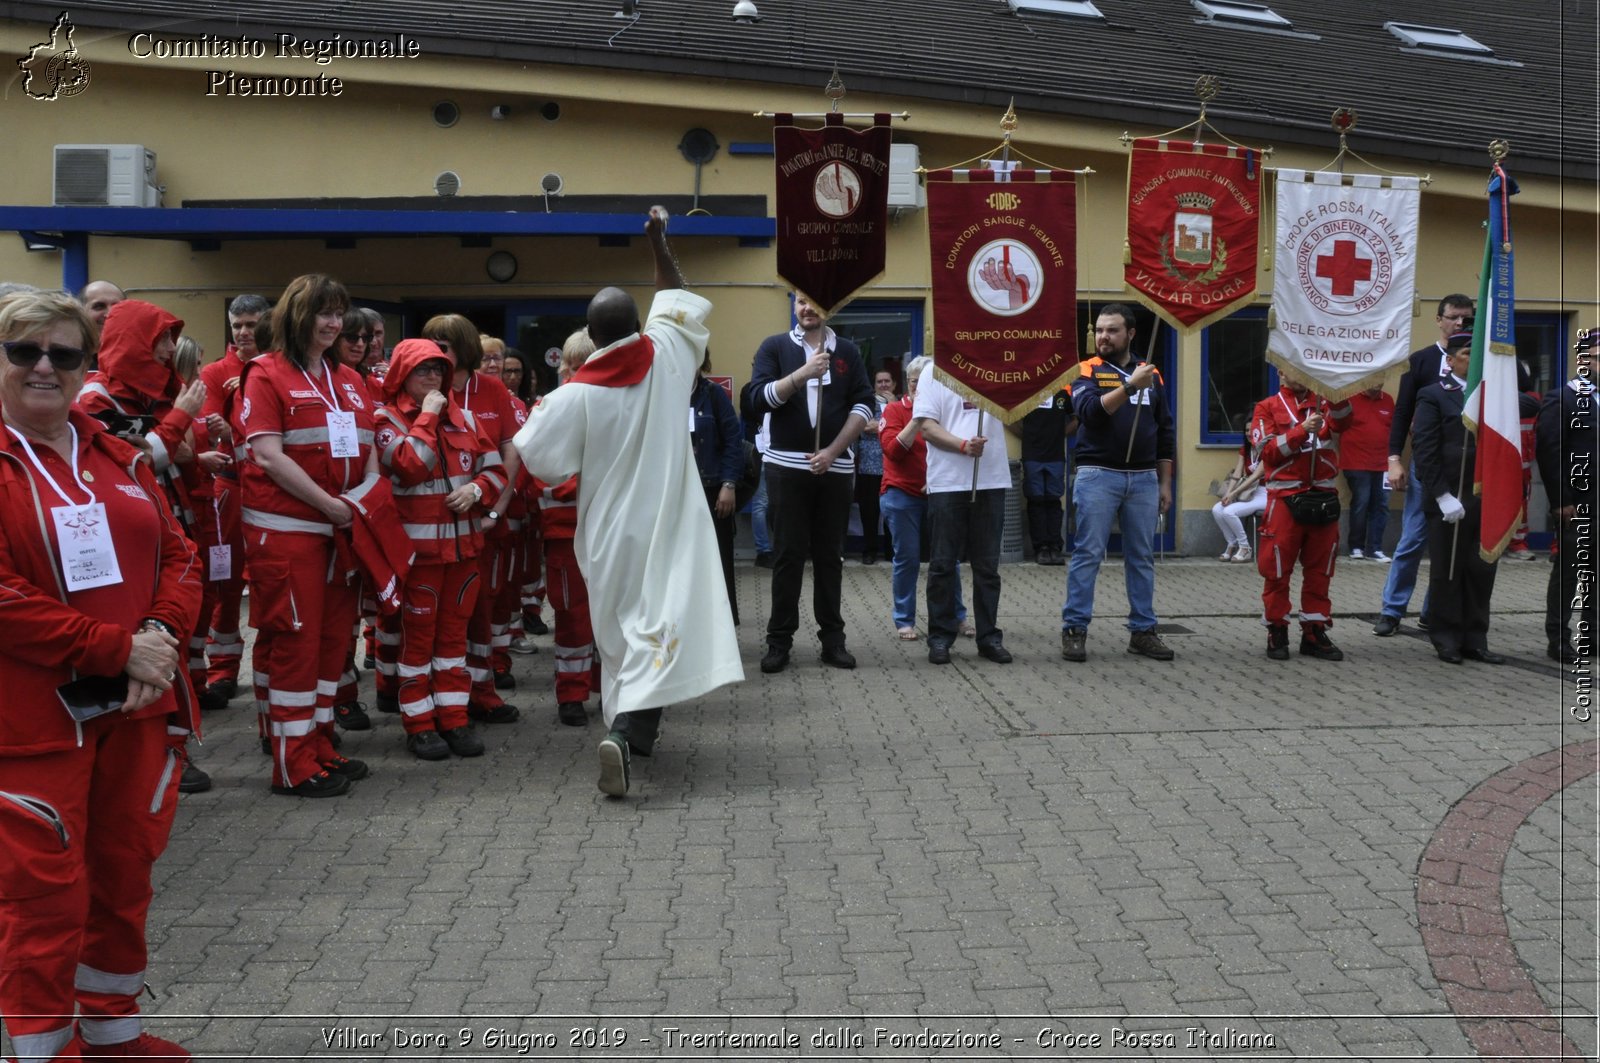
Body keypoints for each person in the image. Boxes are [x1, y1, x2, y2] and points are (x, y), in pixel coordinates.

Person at [0, 288, 202, 1062]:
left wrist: (158, 631)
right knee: (43, 898)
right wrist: (112, 646)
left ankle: (113, 1034)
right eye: (25, 351)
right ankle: (43, 1051)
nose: (44, 366)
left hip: (136, 707)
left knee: (123, 876)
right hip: (35, 721)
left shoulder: (114, 450)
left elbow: (179, 554)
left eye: (64, 353)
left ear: (88, 363)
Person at [514, 207, 743, 797]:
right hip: (673, 519)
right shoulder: (666, 353)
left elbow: (536, 457)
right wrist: (658, 240)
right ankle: (627, 734)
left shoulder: (575, 395)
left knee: (623, 635)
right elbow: (678, 291)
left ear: (590, 338)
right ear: (642, 323)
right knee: (657, 628)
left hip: (611, 530)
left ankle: (630, 733)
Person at [237, 273, 377, 797]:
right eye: (324, 312)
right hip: (290, 533)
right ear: (298, 315)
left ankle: (319, 744)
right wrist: (332, 507)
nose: (335, 323)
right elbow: (268, 456)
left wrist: (360, 501)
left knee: (331, 645)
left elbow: (369, 450)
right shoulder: (265, 375)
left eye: (339, 312)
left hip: (340, 532)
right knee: (297, 644)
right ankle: (291, 765)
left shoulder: (349, 379)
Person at [77, 300, 213, 794]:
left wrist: (197, 443)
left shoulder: (157, 391)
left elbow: (172, 457)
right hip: (126, 548)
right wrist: (182, 418)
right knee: (145, 645)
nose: (172, 348)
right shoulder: (96, 399)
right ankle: (151, 752)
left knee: (179, 643)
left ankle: (172, 748)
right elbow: (133, 463)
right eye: (163, 337)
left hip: (173, 537)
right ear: (136, 338)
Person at [374, 339, 506, 759]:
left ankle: (454, 719)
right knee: (417, 645)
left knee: (452, 641)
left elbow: (497, 471)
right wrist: (428, 416)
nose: (433, 377)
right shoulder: (386, 421)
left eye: (438, 371)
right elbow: (410, 466)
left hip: (464, 553)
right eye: (422, 370)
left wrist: (476, 489)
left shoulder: (465, 418)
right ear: (401, 375)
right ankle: (418, 725)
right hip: (419, 559)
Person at [747, 292, 873, 673]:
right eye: (801, 301)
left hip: (833, 468)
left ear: (828, 306)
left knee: (830, 557)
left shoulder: (848, 351)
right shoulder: (775, 346)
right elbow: (757, 399)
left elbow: (865, 404)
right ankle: (779, 641)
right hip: (786, 466)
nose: (807, 308)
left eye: (813, 300)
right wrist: (803, 374)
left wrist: (834, 451)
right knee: (787, 556)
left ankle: (832, 640)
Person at [1060, 304, 1176, 663]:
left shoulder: (1151, 375)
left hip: (1143, 478)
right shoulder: (1085, 370)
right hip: (1098, 475)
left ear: (1131, 334)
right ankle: (1075, 628)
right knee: (1088, 553)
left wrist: (1165, 483)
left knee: (1141, 557)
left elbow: (1165, 432)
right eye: (1099, 331)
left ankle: (1143, 631)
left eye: (1112, 331)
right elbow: (1090, 413)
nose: (1103, 337)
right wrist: (1128, 387)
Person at [424, 315, 525, 723]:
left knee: (480, 611)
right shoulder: (425, 385)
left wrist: (496, 507)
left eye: (443, 346)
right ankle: (436, 695)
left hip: (485, 523)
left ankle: (481, 691)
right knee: (438, 617)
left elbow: (512, 451)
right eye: (431, 343)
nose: (435, 353)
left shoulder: (493, 389)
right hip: (435, 528)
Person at [1413, 330, 1522, 664]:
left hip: (1486, 496)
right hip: (1451, 497)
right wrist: (1442, 495)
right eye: (1465, 355)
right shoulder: (1434, 395)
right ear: (1450, 361)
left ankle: (1475, 638)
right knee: (1447, 570)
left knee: (1481, 568)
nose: (1472, 362)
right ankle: (1446, 636)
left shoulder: (1495, 397)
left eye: (1477, 358)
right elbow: (1425, 450)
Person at [1373, 294, 1473, 636]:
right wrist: (1394, 459)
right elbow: (1401, 413)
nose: (1460, 323)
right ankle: (1392, 610)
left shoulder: (1480, 363)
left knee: (1450, 542)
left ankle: (1435, 610)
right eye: (1454, 317)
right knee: (1414, 538)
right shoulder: (1421, 361)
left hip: (1465, 467)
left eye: (1467, 318)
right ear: (1439, 319)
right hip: (1426, 466)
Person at [913, 361, 1014, 665]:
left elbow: (1018, 416)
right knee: (943, 565)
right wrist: (963, 445)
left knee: (987, 567)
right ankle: (941, 637)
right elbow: (927, 427)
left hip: (991, 478)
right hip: (947, 481)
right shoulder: (934, 371)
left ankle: (989, 638)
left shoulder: (1000, 367)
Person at [196, 294, 267, 721]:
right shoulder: (215, 373)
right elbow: (207, 430)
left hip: (275, 492)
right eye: (237, 324)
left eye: (252, 324)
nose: (243, 332)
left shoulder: (280, 367)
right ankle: (222, 670)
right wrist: (222, 424)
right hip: (231, 488)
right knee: (223, 580)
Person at [1249, 379, 1351, 660]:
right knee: (1277, 569)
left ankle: (1314, 631)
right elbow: (1267, 453)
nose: (1292, 375)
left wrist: (1338, 391)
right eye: (1288, 369)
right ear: (1281, 371)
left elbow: (1344, 422)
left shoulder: (1325, 401)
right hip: (1285, 500)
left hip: (1323, 496)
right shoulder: (1267, 407)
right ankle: (1277, 628)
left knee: (1321, 569)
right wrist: (1301, 431)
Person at [878, 355, 972, 641]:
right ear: (908, 383)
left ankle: (957, 617)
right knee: (907, 558)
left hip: (937, 493)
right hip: (901, 495)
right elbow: (893, 451)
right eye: (916, 382)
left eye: (928, 382)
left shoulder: (945, 412)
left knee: (947, 559)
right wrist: (919, 417)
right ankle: (904, 620)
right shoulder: (894, 411)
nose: (920, 387)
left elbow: (955, 447)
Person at [536, 331, 604, 727]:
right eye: (576, 366)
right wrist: (587, 483)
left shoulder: (615, 405)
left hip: (608, 530)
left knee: (608, 615)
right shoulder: (548, 408)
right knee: (573, 616)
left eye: (590, 365)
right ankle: (572, 693)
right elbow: (537, 470)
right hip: (565, 532)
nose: (581, 374)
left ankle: (606, 686)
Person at [1537, 327, 1599, 663]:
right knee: (1569, 571)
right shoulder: (1563, 398)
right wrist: (1561, 499)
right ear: (1583, 360)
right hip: (1577, 502)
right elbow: (1550, 453)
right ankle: (1558, 638)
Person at [691, 353, 744, 624]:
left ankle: (722, 622)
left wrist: (728, 484)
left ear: (701, 362)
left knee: (718, 559)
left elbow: (734, 441)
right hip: (677, 494)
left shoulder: (713, 394)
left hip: (712, 490)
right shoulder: (663, 394)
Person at [1020, 386, 1075, 565]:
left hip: (1055, 457)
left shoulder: (1062, 393)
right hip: (1032, 456)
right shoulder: (1026, 390)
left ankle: (1054, 547)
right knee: (1036, 501)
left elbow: (1077, 418)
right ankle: (1041, 548)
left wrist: (1062, 434)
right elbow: (1008, 416)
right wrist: (1026, 436)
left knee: (1053, 501)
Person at [1341, 382, 1395, 561]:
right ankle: (1356, 546)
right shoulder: (1350, 398)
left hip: (1383, 463)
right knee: (1361, 504)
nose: (1377, 384)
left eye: (1381, 380)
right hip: (1356, 462)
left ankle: (1375, 548)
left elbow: (1393, 428)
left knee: (1382, 506)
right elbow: (1335, 425)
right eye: (1374, 379)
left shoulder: (1387, 400)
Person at [852, 371, 892, 564]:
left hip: (892, 466)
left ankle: (891, 551)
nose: (883, 384)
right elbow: (862, 426)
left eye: (887, 381)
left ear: (893, 384)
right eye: (880, 381)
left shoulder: (897, 404)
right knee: (869, 511)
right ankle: (869, 551)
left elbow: (905, 425)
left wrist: (880, 425)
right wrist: (888, 425)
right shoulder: (867, 403)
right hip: (868, 465)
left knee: (892, 511)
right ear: (874, 384)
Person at [1211, 441, 1264, 562]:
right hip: (1248, 491)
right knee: (1217, 509)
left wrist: (1234, 494)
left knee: (1229, 512)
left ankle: (1245, 548)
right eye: (1246, 430)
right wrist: (1228, 493)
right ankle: (1232, 544)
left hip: (1264, 492)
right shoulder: (1245, 449)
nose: (1249, 433)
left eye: (1252, 430)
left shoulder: (1268, 448)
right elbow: (1237, 474)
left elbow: (1255, 476)